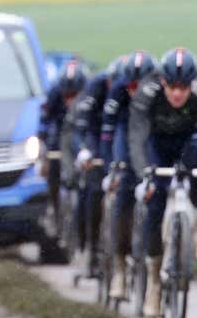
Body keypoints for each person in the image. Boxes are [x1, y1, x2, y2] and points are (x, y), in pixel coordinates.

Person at [127, 47, 197, 318]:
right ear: (163, 81)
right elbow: (136, 138)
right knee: (155, 201)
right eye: (172, 86)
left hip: (190, 141)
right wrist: (142, 175)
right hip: (156, 143)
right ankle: (154, 283)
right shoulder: (147, 91)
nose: (177, 93)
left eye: (184, 87)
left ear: (193, 82)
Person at [100, 50, 157, 301]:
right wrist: (111, 167)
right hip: (126, 130)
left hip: (151, 132)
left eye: (140, 85)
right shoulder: (118, 91)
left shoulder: (159, 91)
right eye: (131, 85)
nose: (135, 90)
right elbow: (108, 133)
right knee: (125, 183)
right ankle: (120, 267)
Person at [62, 55, 126, 268]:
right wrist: (83, 152)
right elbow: (80, 129)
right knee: (91, 190)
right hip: (95, 137)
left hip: (118, 137)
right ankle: (90, 244)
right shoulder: (94, 89)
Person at [38, 59, 87, 216]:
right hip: (59, 134)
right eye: (67, 95)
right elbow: (44, 121)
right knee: (53, 163)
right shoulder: (54, 94)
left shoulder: (90, 95)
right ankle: (54, 203)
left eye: (75, 95)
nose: (70, 100)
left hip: (82, 132)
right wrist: (42, 144)